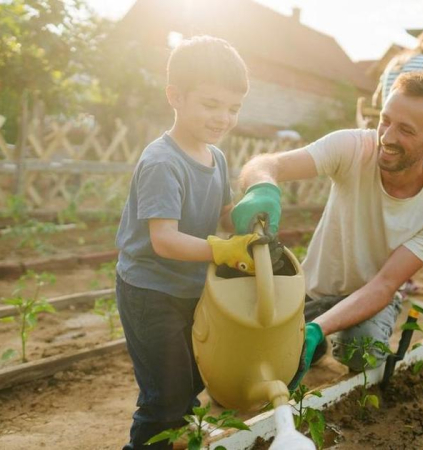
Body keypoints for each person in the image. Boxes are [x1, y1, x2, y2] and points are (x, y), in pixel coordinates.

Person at [232, 72, 423, 386]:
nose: (387, 137)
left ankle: (327, 333)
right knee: (254, 363)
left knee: (360, 351)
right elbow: (267, 164)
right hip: (313, 289)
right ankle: (321, 337)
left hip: (370, 297)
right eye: (386, 120)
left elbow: (384, 285)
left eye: (406, 130)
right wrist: (262, 189)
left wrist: (316, 327)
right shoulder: (353, 147)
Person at [114, 36, 269, 450]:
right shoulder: (162, 162)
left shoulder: (215, 157)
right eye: (211, 104)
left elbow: (221, 211)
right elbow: (163, 240)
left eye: (233, 108)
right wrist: (223, 250)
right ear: (175, 97)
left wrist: (247, 218)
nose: (223, 117)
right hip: (150, 291)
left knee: (192, 382)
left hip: (192, 289)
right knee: (164, 397)